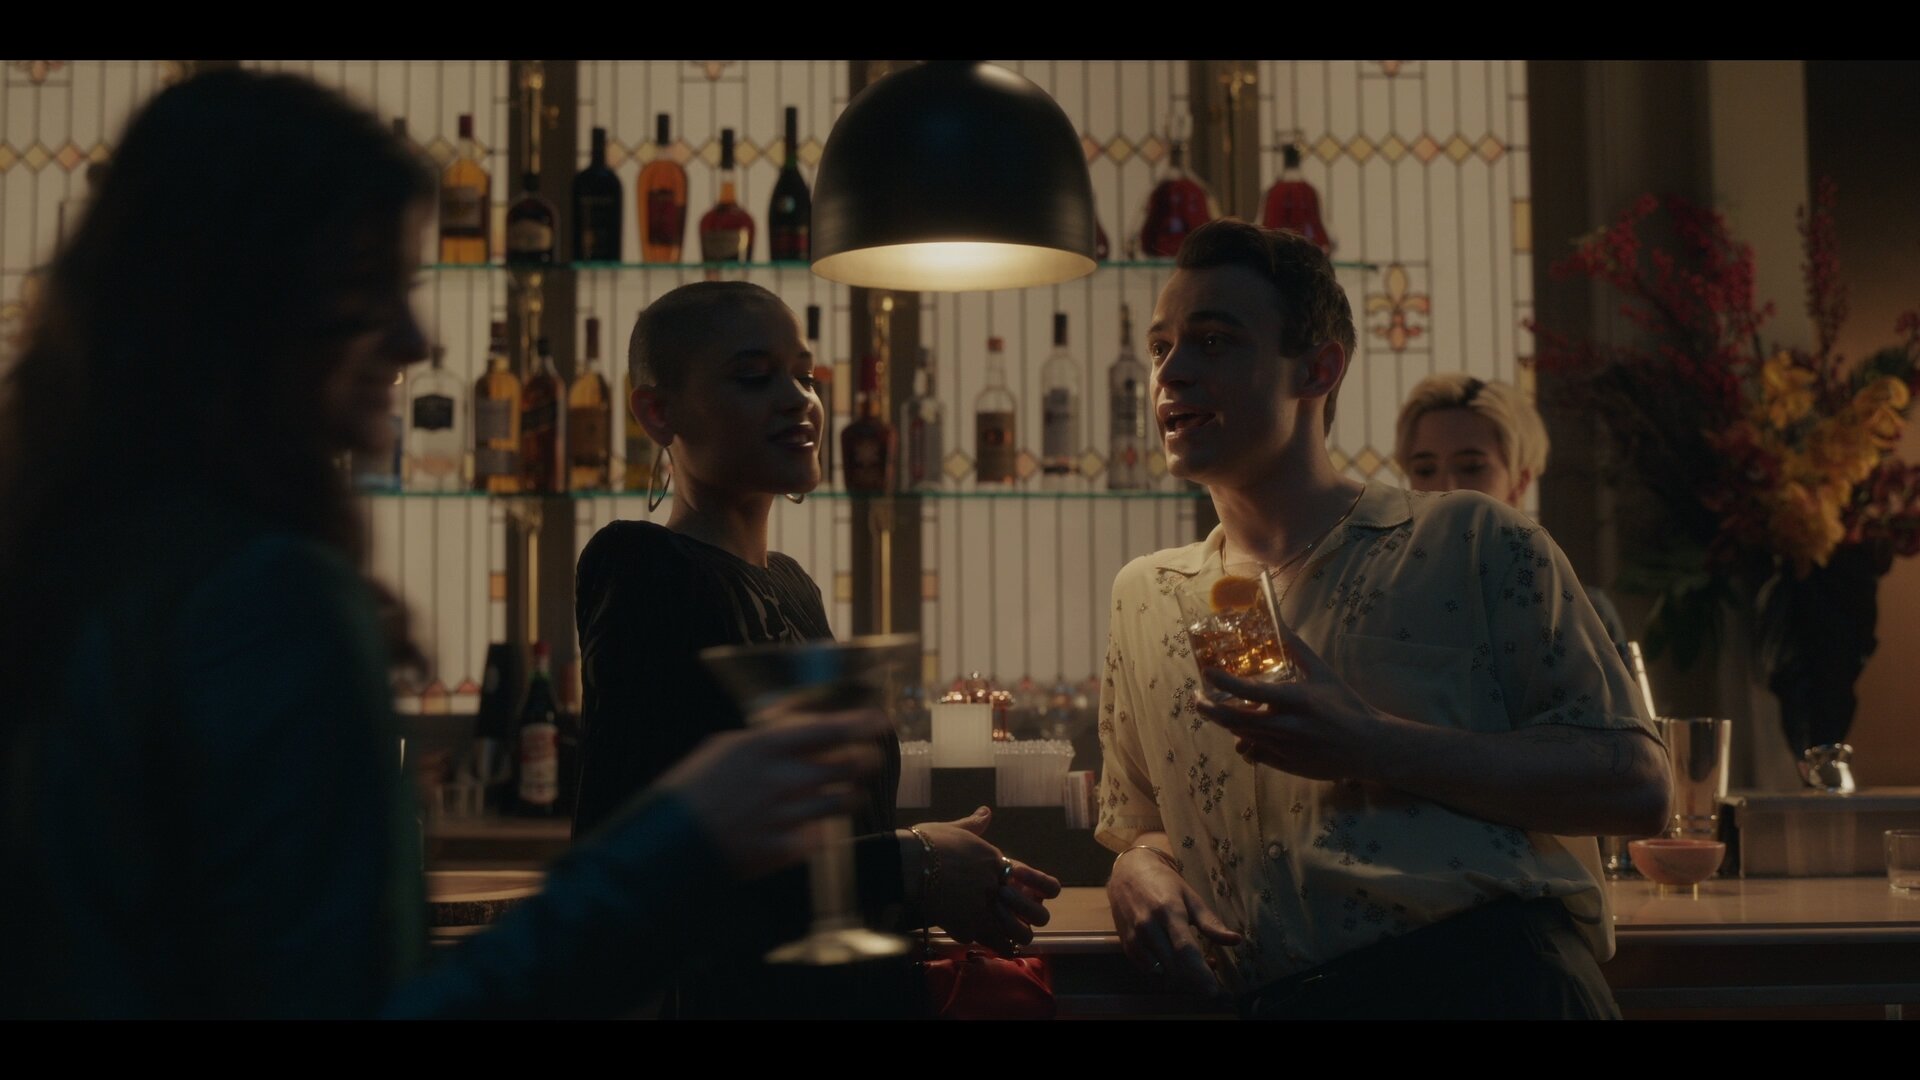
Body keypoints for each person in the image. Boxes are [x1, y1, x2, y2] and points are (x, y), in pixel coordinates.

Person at [0, 69, 888, 1020]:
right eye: (368, 290)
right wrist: (689, 838)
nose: (416, 338)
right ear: (240, 307)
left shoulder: (84, 571)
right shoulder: (263, 596)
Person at [1096, 219, 1669, 1020]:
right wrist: (1137, 867)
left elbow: (1638, 786)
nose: (1171, 372)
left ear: (1318, 368)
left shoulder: (1472, 541)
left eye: (1215, 341)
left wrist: (1373, 742)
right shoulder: (1148, 596)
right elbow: (1151, 824)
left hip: (1489, 983)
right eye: (1161, 347)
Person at [573, 280, 1060, 1018]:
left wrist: (933, 873)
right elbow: (641, 871)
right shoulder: (644, 569)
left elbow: (820, 854)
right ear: (657, 412)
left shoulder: (792, 585)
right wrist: (910, 861)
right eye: (754, 377)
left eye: (805, 376)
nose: (799, 399)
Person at [1394, 372, 1630, 652]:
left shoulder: (1577, 611)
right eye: (1424, 470)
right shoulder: (1387, 602)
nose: (1446, 488)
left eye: (1471, 467)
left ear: (1520, 481)